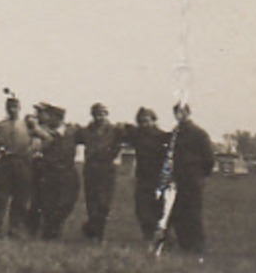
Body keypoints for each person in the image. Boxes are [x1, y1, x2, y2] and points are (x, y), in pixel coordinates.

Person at [167, 102, 214, 255]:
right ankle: (184, 245)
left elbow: (209, 159)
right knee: (178, 212)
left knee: (193, 213)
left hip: (193, 178)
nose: (180, 115)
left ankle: (197, 246)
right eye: (177, 113)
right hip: (178, 178)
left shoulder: (199, 133)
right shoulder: (175, 133)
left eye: (183, 112)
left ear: (188, 113)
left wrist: (201, 175)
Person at [0, 94, 32, 237]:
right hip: (6, 162)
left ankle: (15, 229)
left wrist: (33, 149)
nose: (12, 110)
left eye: (15, 107)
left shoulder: (27, 125)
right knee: (0, 196)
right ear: (6, 109)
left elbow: (46, 137)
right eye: (10, 107)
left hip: (23, 162)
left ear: (20, 108)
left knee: (21, 197)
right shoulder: (0, 125)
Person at [78, 102, 129, 241]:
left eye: (102, 114)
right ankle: (95, 233)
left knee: (104, 203)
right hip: (91, 168)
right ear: (92, 115)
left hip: (107, 168)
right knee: (92, 201)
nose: (100, 117)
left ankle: (96, 231)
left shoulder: (115, 130)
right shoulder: (86, 130)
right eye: (97, 114)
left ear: (107, 115)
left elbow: (126, 138)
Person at [29, 103, 81, 240]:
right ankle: (50, 232)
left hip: (68, 173)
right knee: (48, 203)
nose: (47, 119)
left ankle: (54, 228)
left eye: (50, 116)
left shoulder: (72, 131)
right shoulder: (45, 132)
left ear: (57, 118)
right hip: (50, 173)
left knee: (66, 203)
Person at [126, 107, 170, 242]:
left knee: (158, 209)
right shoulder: (138, 135)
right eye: (141, 122)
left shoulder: (162, 136)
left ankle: (162, 237)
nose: (144, 124)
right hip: (142, 178)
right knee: (141, 209)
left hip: (158, 178)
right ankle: (148, 236)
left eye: (147, 121)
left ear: (154, 120)